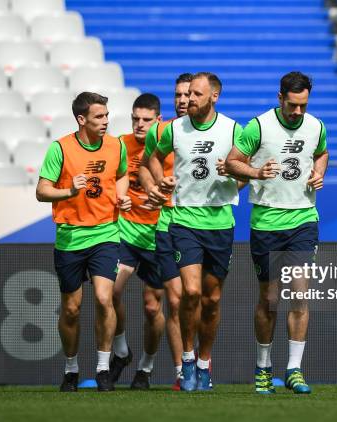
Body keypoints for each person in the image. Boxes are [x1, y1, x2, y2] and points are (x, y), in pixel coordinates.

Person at [224, 71, 329, 394]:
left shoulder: (317, 126)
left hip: (303, 220)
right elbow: (232, 162)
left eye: (303, 106)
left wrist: (319, 172)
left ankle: (294, 370)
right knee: (270, 299)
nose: (298, 112)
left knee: (300, 294)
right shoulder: (258, 126)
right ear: (280, 97)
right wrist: (256, 171)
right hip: (267, 222)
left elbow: (321, 152)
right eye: (292, 105)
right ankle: (263, 366)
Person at [148, 72, 242, 391]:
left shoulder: (232, 129)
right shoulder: (174, 128)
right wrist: (161, 180)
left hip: (220, 224)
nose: (189, 100)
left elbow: (249, 169)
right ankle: (186, 360)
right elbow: (153, 157)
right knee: (190, 293)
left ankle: (204, 363)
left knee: (212, 299)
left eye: (197, 95)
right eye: (188, 94)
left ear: (214, 97)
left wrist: (233, 176)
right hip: (184, 221)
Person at [36, 92, 131, 392]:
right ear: (81, 119)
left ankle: (103, 367)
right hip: (70, 237)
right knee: (72, 309)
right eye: (98, 117)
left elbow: (122, 174)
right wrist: (68, 192)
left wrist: (121, 195)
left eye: (106, 115)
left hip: (106, 233)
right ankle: (71, 368)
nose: (105, 121)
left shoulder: (116, 145)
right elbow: (41, 191)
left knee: (105, 298)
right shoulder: (60, 149)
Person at [137, 73, 193, 390]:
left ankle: (201, 364)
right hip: (167, 222)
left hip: (203, 224)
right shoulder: (161, 131)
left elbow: (237, 169)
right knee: (175, 297)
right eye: (177, 95)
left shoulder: (217, 131)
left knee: (202, 300)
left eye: (187, 95)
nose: (182, 100)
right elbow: (144, 166)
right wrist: (154, 187)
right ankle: (182, 370)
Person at [108, 93, 165, 389]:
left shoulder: (170, 144)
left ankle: (146, 367)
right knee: (110, 291)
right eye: (135, 119)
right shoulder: (120, 144)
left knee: (152, 307)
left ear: (158, 120)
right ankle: (120, 350)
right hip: (126, 230)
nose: (140, 125)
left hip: (158, 234)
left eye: (146, 119)